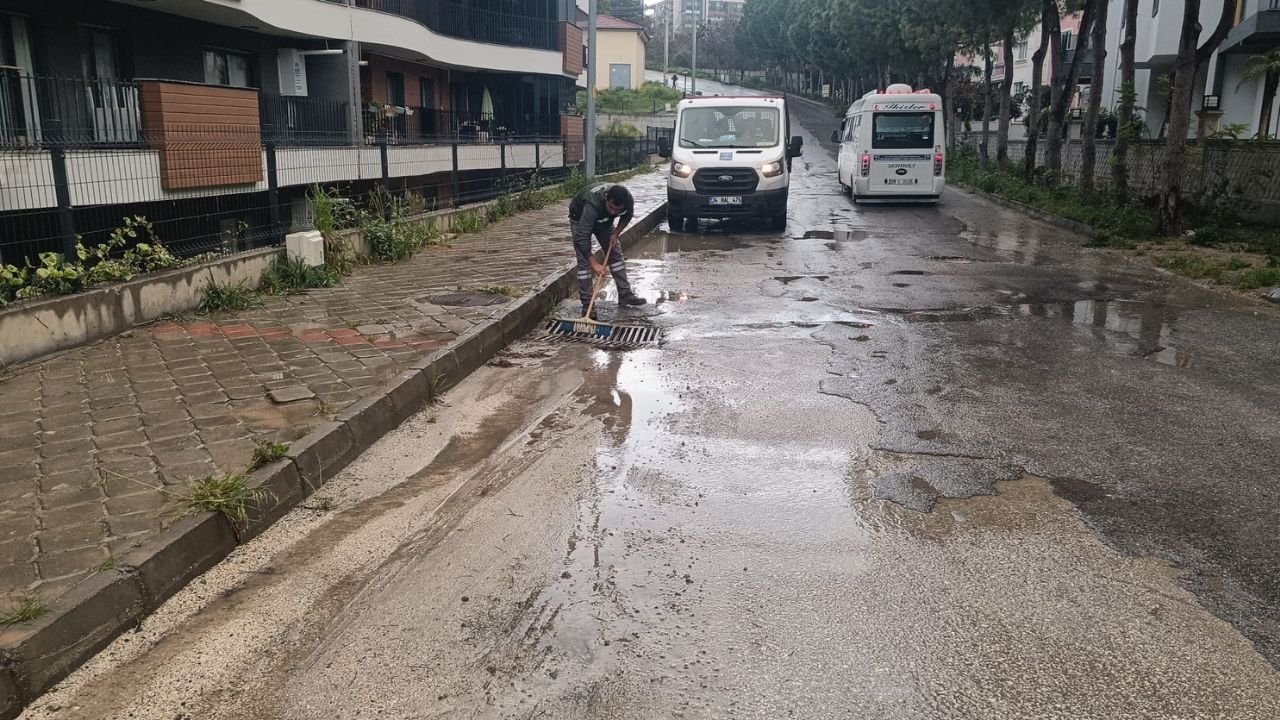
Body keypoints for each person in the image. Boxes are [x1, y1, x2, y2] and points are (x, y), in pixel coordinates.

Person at [568, 183, 648, 318]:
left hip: (604, 222)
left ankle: (625, 295)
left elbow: (627, 216)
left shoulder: (628, 201)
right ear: (606, 198)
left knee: (615, 253)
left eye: (617, 210)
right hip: (580, 219)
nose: (613, 212)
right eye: (611, 207)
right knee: (584, 263)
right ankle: (588, 304)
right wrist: (594, 263)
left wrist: (616, 233)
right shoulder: (592, 206)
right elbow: (581, 238)